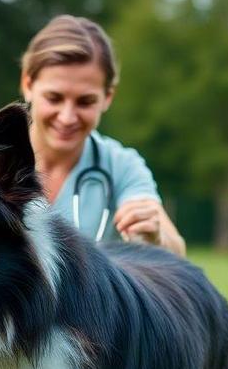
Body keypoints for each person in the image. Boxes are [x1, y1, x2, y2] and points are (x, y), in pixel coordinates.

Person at [20, 15, 186, 256]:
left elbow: (177, 252)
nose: (67, 117)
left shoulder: (120, 166)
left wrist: (156, 236)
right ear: (28, 85)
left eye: (85, 102)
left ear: (107, 97)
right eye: (54, 98)